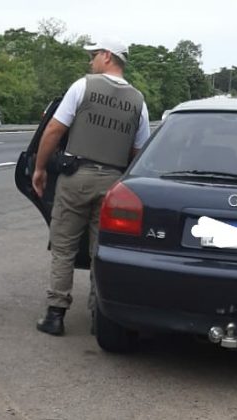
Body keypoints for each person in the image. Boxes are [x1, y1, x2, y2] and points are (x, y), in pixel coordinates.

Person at [33, 38, 151, 336]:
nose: (90, 60)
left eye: (94, 54)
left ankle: (55, 314)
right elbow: (139, 152)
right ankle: (100, 314)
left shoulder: (83, 86)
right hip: (113, 183)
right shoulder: (139, 101)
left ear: (107, 56)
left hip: (76, 177)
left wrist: (40, 167)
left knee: (64, 247)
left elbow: (55, 129)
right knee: (102, 250)